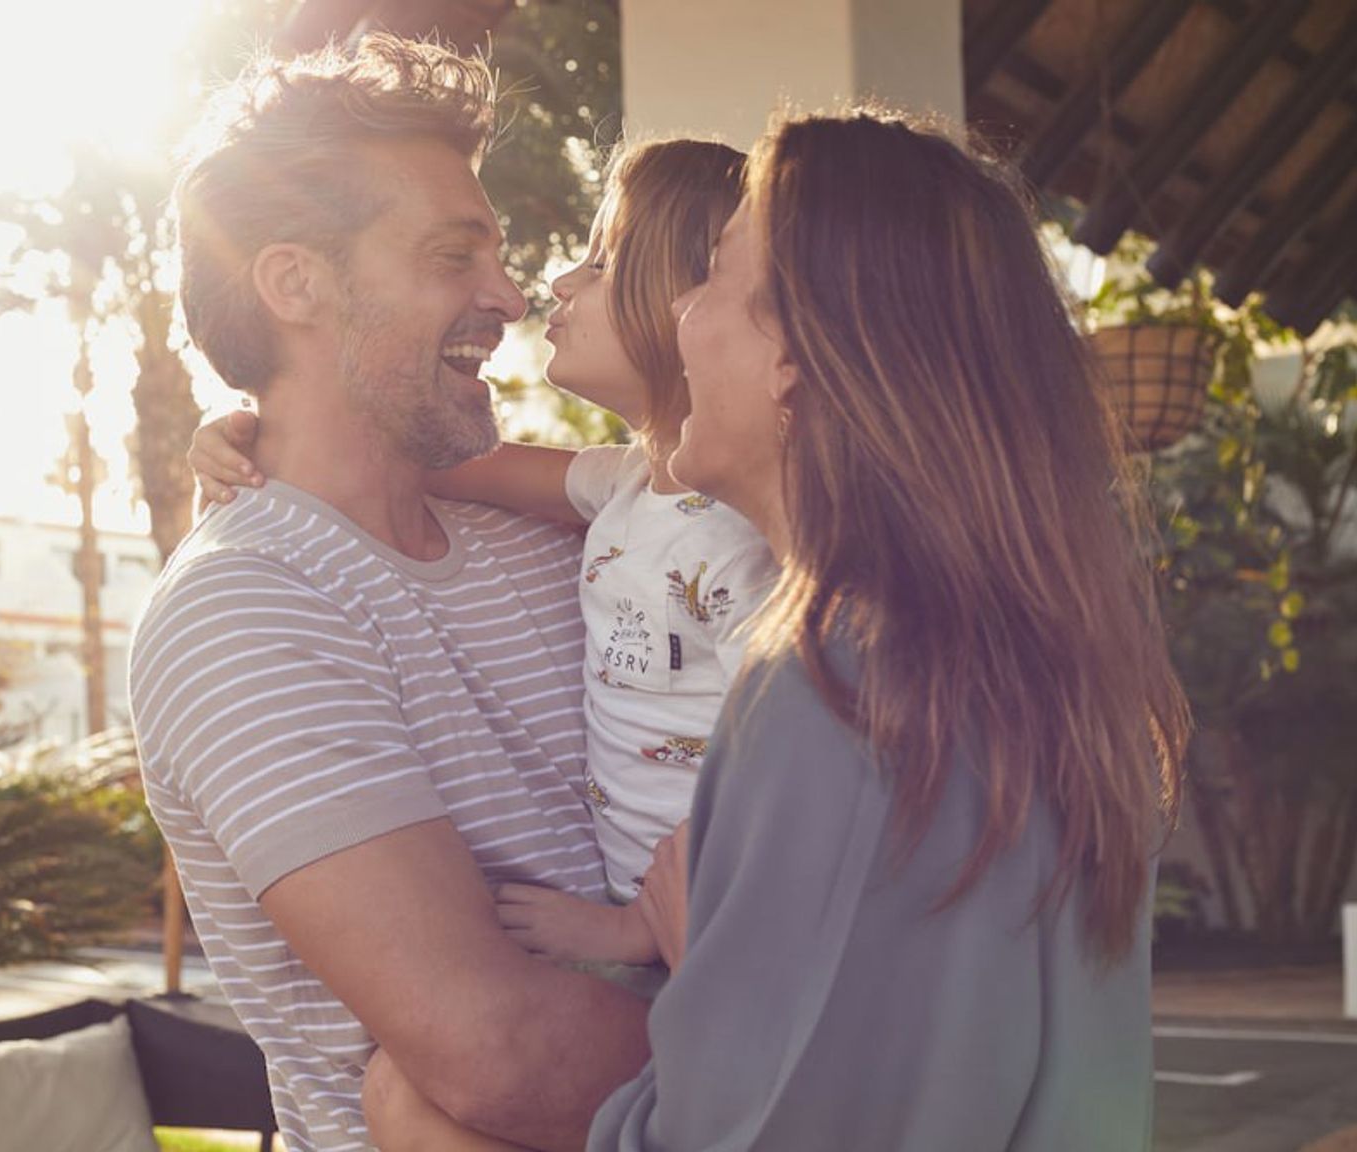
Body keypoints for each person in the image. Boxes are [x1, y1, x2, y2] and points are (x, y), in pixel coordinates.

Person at [584, 110, 1192, 1150]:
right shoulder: (1023, 668)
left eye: (717, 272)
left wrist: (703, 972)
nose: (681, 311)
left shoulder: (838, 686)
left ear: (796, 356)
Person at [128, 36, 650, 1152]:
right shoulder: (243, 610)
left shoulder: (554, 544)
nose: (508, 297)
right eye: (452, 257)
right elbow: (498, 1052)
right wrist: (858, 1057)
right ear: (295, 283)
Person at [189, 138, 774, 975]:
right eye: (454, 256)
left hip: (720, 929)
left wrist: (641, 930)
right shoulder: (626, 488)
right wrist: (247, 427)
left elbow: (801, 763)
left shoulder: (740, 538)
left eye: (604, 262)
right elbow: (414, 453)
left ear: (703, 311)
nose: (548, 286)